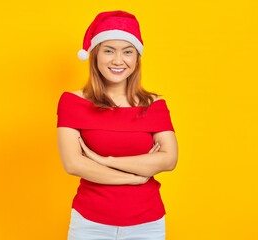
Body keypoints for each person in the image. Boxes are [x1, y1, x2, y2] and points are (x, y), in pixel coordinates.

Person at [56, 10, 178, 240]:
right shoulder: (72, 102)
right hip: (90, 223)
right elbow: (73, 164)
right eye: (109, 50)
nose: (118, 60)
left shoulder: (155, 104)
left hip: (147, 224)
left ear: (136, 58)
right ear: (95, 55)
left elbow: (169, 160)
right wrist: (134, 177)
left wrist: (105, 161)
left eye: (127, 51)